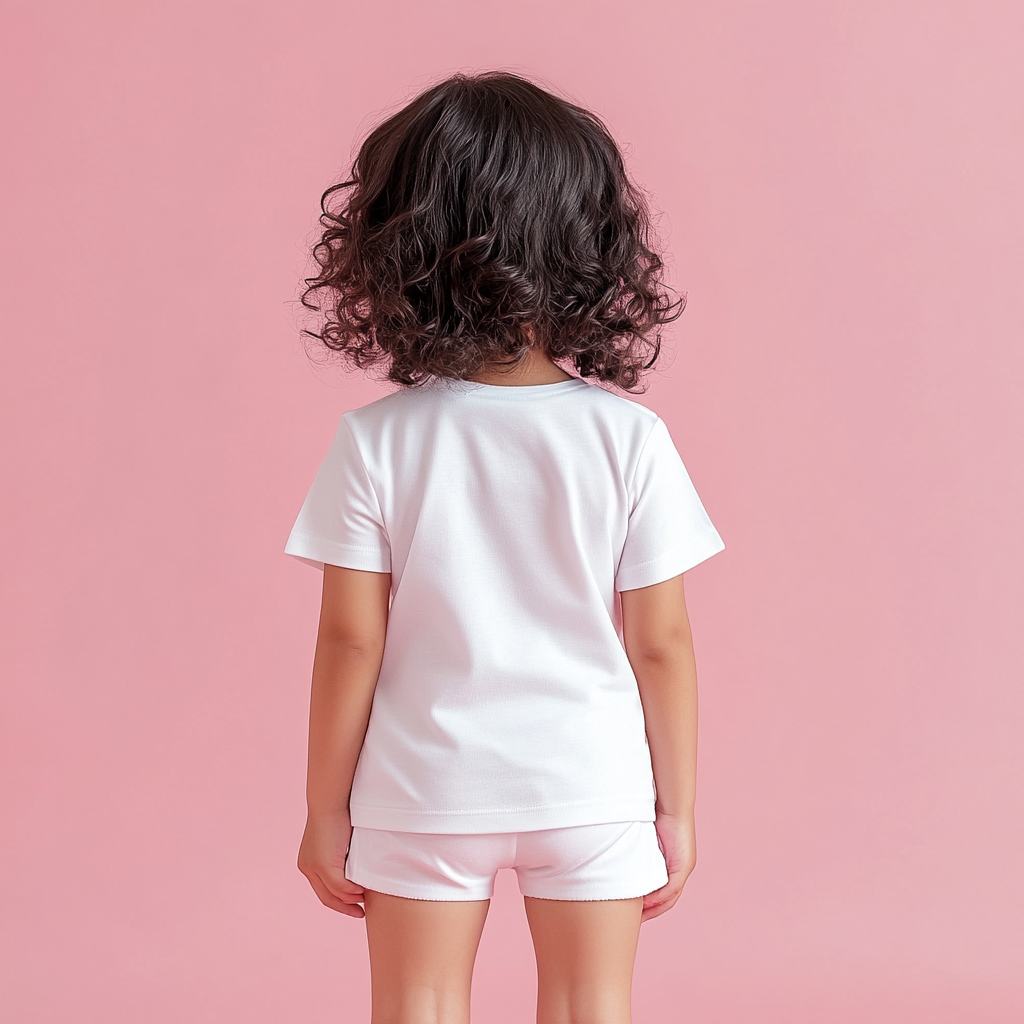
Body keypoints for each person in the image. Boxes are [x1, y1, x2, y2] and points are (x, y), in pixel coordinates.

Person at [283, 70, 726, 1024]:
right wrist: (675, 809)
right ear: (590, 243)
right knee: (588, 1009)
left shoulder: (377, 439)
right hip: (591, 780)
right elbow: (661, 642)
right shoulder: (627, 438)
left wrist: (326, 814)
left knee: (419, 1008)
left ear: (398, 245)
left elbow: (351, 643)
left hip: (423, 785)